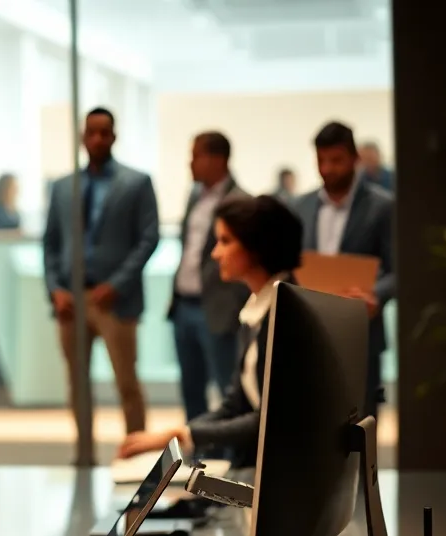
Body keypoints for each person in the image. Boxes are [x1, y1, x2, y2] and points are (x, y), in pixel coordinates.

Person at [118, 195, 303, 463]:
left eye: (226, 241)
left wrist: (182, 436)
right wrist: (180, 434)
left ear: (258, 247)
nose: (215, 253)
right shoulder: (260, 306)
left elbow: (269, 421)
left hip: (287, 474)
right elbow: (237, 404)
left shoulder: (288, 314)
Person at [42, 106, 159, 435]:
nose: (97, 138)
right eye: (91, 132)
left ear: (114, 136)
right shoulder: (63, 186)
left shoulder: (137, 183)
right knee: (77, 386)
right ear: (82, 137)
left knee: (127, 383)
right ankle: (84, 457)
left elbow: (149, 238)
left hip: (114, 301)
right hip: (70, 300)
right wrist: (55, 290)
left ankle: (138, 457)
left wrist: (117, 285)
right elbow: (50, 242)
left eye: (104, 132)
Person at [293, 121, 394, 418]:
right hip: (311, 330)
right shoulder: (301, 206)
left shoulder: (382, 206)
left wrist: (375, 294)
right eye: (321, 160)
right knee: (312, 419)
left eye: (336, 160)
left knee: (361, 421)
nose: (327, 168)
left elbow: (398, 271)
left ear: (354, 159)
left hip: (361, 330)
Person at [169, 131, 250, 422]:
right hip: (184, 306)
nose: (190, 163)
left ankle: (229, 460)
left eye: (196, 156)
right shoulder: (193, 196)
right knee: (191, 391)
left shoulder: (240, 202)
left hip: (217, 308)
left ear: (219, 159)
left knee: (227, 390)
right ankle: (196, 457)